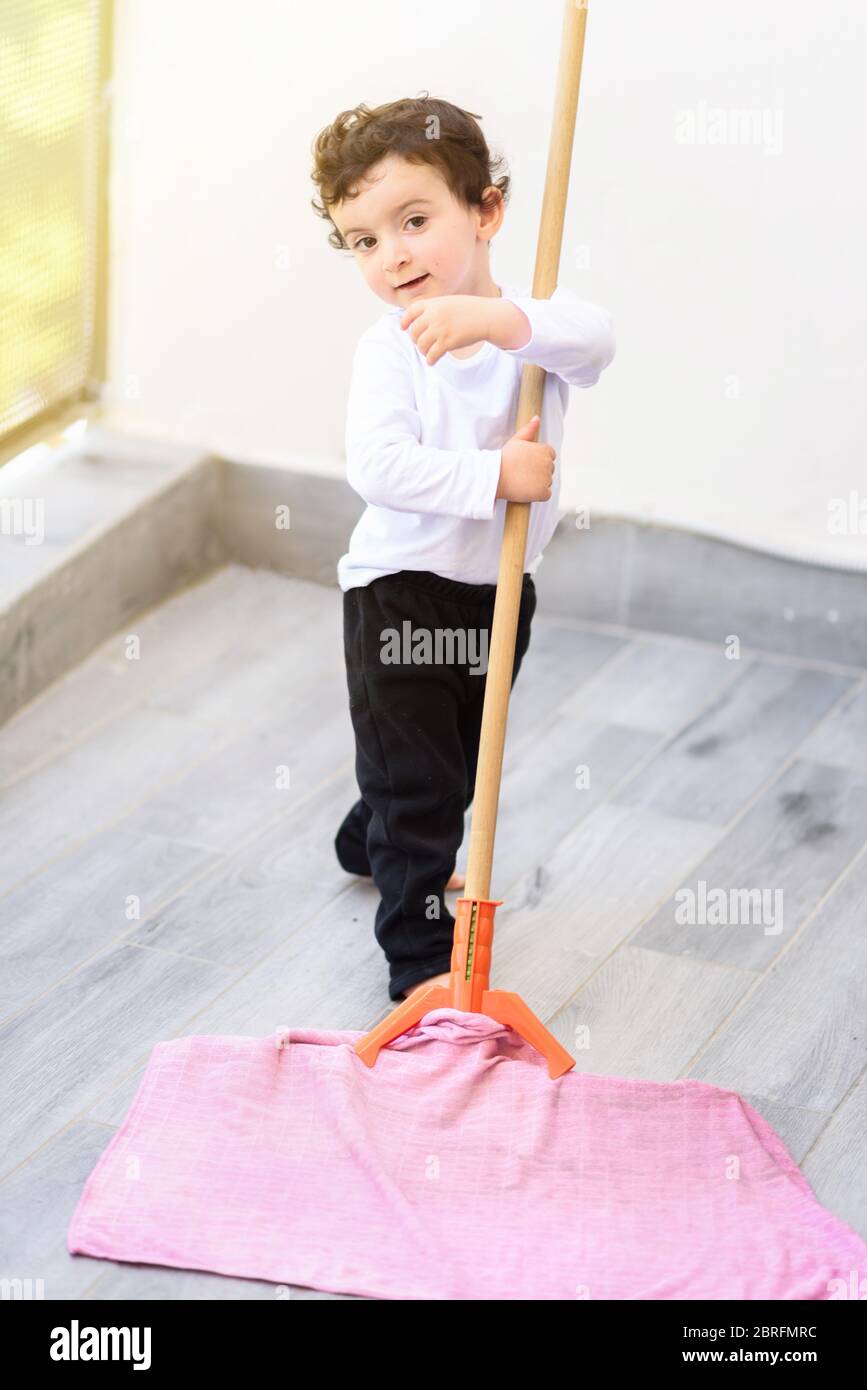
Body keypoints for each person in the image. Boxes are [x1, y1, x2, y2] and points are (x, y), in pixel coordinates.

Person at [309, 94, 615, 1003]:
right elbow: (379, 467)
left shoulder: (538, 332)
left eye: (413, 221)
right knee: (427, 782)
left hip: (499, 595)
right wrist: (495, 477)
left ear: (485, 210)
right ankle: (420, 966)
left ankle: (370, 835)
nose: (392, 255)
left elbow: (598, 340)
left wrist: (498, 323)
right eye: (363, 241)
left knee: (450, 758)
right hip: (398, 595)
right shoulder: (391, 350)